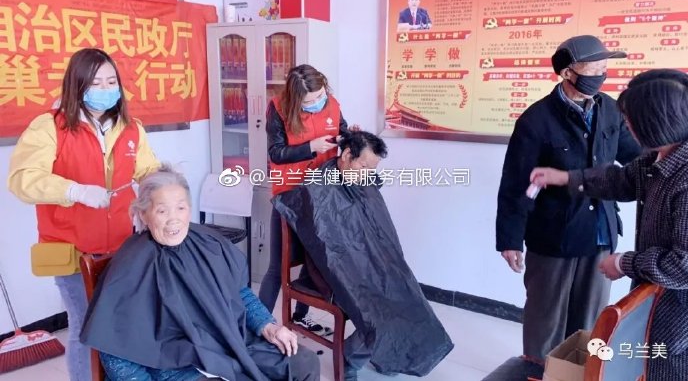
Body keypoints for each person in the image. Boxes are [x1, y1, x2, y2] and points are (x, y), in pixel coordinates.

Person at [80, 165, 320, 381]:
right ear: (143, 214)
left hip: (228, 342)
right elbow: (113, 347)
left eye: (181, 208)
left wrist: (268, 326)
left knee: (303, 362)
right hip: (176, 365)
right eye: (162, 211)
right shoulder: (131, 265)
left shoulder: (208, 243)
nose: (174, 219)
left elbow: (239, 293)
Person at [7, 48, 160, 381]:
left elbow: (149, 170)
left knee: (120, 320)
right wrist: (74, 191)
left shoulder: (130, 128)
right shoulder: (49, 127)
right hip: (71, 251)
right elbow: (22, 180)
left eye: (111, 81)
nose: (105, 88)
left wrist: (160, 190)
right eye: (95, 82)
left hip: (120, 247)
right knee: (85, 325)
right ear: (76, 85)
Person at [529, 68, 688, 380]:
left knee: (665, 366)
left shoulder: (686, 178)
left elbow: (685, 265)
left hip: (679, 314)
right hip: (654, 299)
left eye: (630, 120)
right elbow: (622, 180)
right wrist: (566, 178)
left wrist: (625, 262)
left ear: (656, 122)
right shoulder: (658, 158)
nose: (626, 126)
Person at [495, 35, 641, 365]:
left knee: (590, 324)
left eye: (604, 68)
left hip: (599, 233)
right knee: (545, 321)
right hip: (553, 237)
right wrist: (510, 239)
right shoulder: (536, 120)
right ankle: (539, 372)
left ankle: (578, 373)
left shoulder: (610, 110)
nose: (602, 75)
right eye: (594, 68)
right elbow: (516, 184)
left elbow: (635, 156)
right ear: (567, 73)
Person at [273, 131, 454, 381]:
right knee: (378, 310)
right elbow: (324, 244)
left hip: (368, 264)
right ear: (347, 155)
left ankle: (390, 352)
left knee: (410, 297)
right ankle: (350, 357)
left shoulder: (362, 179)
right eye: (364, 166)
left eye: (372, 169)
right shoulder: (317, 189)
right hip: (336, 271)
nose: (367, 174)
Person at [260, 64, 358, 334]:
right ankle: (256, 325)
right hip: (290, 196)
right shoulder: (278, 109)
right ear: (295, 99)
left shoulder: (332, 103)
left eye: (320, 96)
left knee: (314, 258)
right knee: (278, 266)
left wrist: (349, 137)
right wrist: (310, 148)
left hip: (323, 194)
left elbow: (342, 131)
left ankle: (300, 316)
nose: (317, 103)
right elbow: (276, 153)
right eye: (310, 101)